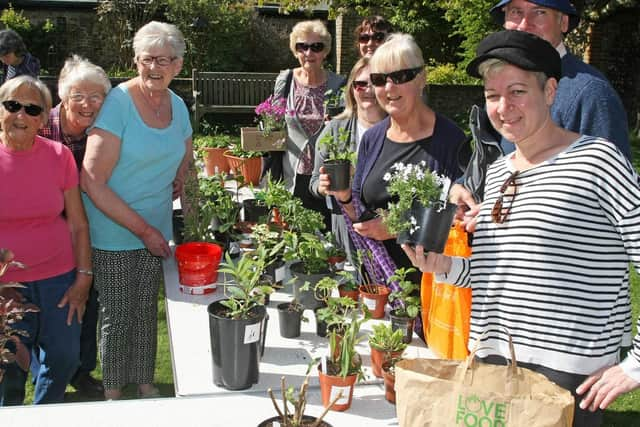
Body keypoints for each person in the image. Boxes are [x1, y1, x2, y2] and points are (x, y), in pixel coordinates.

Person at [403, 30, 640, 427]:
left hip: (568, 378)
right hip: (495, 363)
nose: (503, 107)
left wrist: (635, 365)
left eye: (517, 92)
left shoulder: (598, 161)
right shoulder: (498, 172)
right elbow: (503, 271)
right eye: (492, 96)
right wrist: (444, 267)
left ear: (550, 91)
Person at [322, 33, 467, 337]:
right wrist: (345, 196)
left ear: (421, 78)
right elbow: (361, 214)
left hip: (431, 294)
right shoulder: (373, 139)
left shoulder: (451, 141)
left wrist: (397, 227)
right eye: (379, 79)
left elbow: (461, 219)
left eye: (401, 76)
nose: (389, 88)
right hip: (377, 287)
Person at [81, 21, 192, 400]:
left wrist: (180, 178)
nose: (154, 68)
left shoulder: (178, 105)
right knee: (118, 314)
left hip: (157, 227)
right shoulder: (118, 104)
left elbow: (185, 156)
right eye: (147, 59)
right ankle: (112, 393)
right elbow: (91, 180)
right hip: (115, 226)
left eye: (164, 60)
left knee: (147, 310)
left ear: (178, 65)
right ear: (135, 60)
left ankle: (145, 384)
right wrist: (143, 230)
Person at [451, 0, 631, 227]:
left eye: (539, 12)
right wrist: (463, 187)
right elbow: (493, 159)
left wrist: (519, 219)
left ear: (563, 22)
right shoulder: (501, 82)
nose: (525, 24)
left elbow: (613, 201)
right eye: (516, 12)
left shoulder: (591, 93)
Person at [0, 76, 92, 405]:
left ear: (42, 118)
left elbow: (79, 224)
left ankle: (46, 413)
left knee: (65, 357)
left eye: (32, 109)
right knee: (8, 369)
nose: (20, 115)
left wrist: (83, 278)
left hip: (58, 279)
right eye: (12, 105)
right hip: (7, 286)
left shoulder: (59, 155)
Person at [37, 54, 111, 397]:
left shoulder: (103, 131)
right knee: (44, 304)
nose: (87, 104)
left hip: (87, 230)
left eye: (96, 96)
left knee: (87, 299)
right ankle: (44, 367)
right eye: (79, 95)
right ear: (63, 95)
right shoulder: (40, 126)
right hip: (44, 232)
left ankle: (80, 371)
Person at [271, 20, 346, 230]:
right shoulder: (285, 80)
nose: (309, 52)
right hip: (291, 176)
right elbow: (274, 121)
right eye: (302, 46)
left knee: (326, 240)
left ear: (325, 52)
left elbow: (348, 128)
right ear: (295, 50)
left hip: (325, 178)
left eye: (316, 47)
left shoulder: (339, 85)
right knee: (291, 237)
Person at [310, 57, 386, 264]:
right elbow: (314, 180)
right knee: (349, 286)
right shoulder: (335, 129)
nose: (367, 90)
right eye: (360, 84)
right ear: (352, 89)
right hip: (344, 224)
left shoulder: (398, 129)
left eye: (375, 82)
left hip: (386, 225)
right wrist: (323, 186)